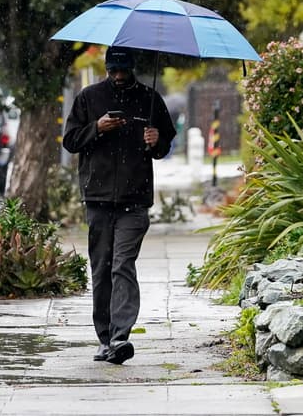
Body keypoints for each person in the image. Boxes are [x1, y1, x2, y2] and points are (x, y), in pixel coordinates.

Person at [62, 46, 175, 365]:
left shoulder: (150, 99)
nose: (118, 76)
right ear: (107, 68)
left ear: (132, 69)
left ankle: (120, 336)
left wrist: (157, 141)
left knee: (122, 263)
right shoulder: (89, 97)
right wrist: (97, 128)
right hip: (97, 197)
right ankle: (104, 337)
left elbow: (164, 144)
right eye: (113, 71)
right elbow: (71, 141)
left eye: (123, 71)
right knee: (101, 267)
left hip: (135, 198)